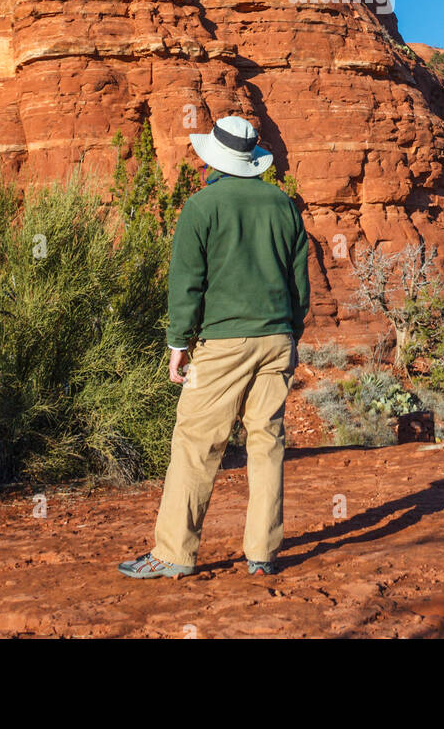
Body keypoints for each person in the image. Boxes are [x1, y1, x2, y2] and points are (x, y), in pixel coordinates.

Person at [119, 115, 309, 579]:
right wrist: (289, 333)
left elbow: (186, 285)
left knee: (196, 444)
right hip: (277, 339)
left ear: (214, 160)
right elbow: (299, 284)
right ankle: (262, 554)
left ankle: (173, 554)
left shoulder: (202, 206)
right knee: (267, 444)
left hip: (222, 344)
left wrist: (178, 344)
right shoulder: (284, 206)